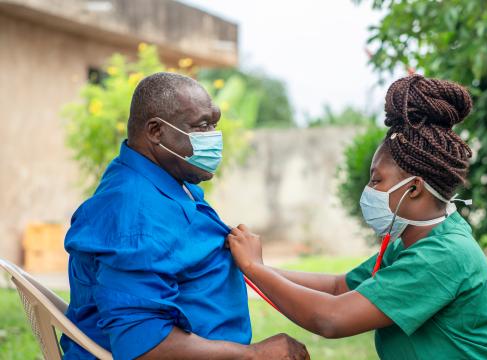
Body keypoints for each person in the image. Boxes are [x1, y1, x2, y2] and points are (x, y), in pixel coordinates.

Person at [227, 74, 487, 359]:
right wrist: (257, 267)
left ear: (414, 188)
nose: (369, 189)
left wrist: (254, 268)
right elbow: (339, 287)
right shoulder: (412, 241)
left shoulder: (442, 255)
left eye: (376, 180)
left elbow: (332, 318)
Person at [61, 72, 309, 360]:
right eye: (202, 126)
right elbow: (144, 346)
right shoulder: (136, 216)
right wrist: (254, 354)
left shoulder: (167, 182)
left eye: (214, 124)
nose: (214, 138)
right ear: (156, 131)